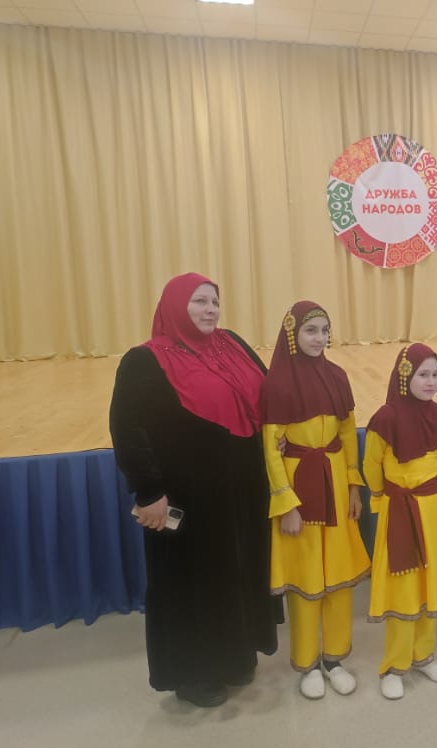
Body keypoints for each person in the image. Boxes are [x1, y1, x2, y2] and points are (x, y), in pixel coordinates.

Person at [109, 272, 277, 708]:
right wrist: (149, 493)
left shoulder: (232, 343)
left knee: (237, 571)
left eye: (214, 301)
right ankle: (194, 674)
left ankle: (236, 655)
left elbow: (268, 390)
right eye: (199, 301)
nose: (210, 310)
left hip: (242, 491)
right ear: (174, 306)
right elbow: (127, 431)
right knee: (191, 582)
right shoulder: (144, 361)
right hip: (186, 497)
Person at [259, 302, 371, 699]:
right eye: (311, 331)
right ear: (292, 334)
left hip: (335, 484)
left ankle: (334, 659)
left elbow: (347, 433)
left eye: (325, 330)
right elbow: (271, 448)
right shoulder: (276, 384)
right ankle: (307, 663)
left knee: (338, 578)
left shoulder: (337, 376)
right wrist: (287, 504)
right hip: (299, 487)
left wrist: (353, 486)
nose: (320, 338)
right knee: (305, 579)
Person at [363, 343, 437, 700]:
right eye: (423, 374)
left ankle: (424, 656)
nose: (430, 381)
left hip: (434, 509)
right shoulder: (385, 418)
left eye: (435, 375)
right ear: (404, 375)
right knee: (404, 588)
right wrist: (382, 500)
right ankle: (394, 665)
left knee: (430, 586)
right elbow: (371, 465)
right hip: (400, 510)